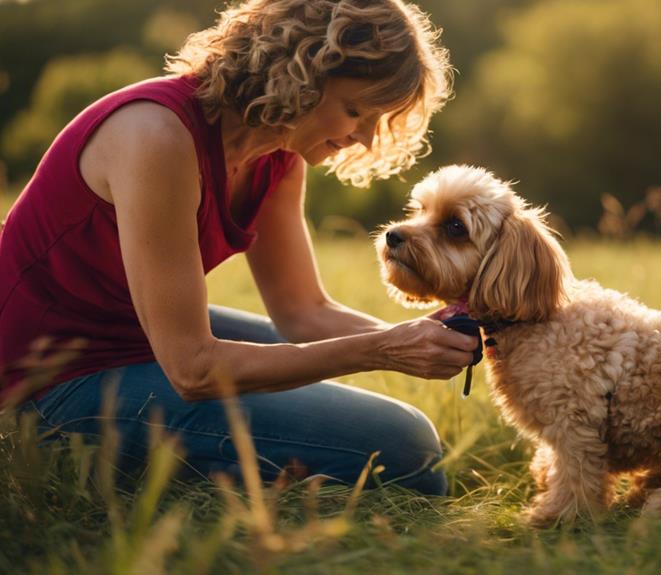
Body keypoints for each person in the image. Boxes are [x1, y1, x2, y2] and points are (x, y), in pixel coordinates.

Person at [0, 0, 474, 496]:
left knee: (323, 379)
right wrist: (383, 349)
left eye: (379, 119)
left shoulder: (278, 153)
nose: (365, 137)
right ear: (302, 75)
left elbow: (304, 313)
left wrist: (426, 336)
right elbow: (194, 368)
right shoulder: (156, 136)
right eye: (355, 111)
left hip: (138, 339)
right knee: (406, 444)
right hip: (46, 386)